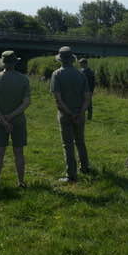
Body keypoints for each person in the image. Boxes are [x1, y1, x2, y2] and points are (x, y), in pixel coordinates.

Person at [0, 50, 31, 189]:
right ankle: (21, 182)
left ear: (3, 63)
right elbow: (26, 102)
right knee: (19, 152)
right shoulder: (24, 79)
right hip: (18, 121)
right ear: (15, 62)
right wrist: (11, 117)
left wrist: (3, 120)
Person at [50, 46, 91, 183]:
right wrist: (80, 112)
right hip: (80, 114)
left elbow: (58, 99)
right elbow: (87, 98)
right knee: (80, 141)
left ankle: (71, 175)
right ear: (72, 59)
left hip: (65, 114)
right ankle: (85, 167)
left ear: (60, 60)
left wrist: (70, 113)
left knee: (68, 145)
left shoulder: (57, 74)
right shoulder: (81, 74)